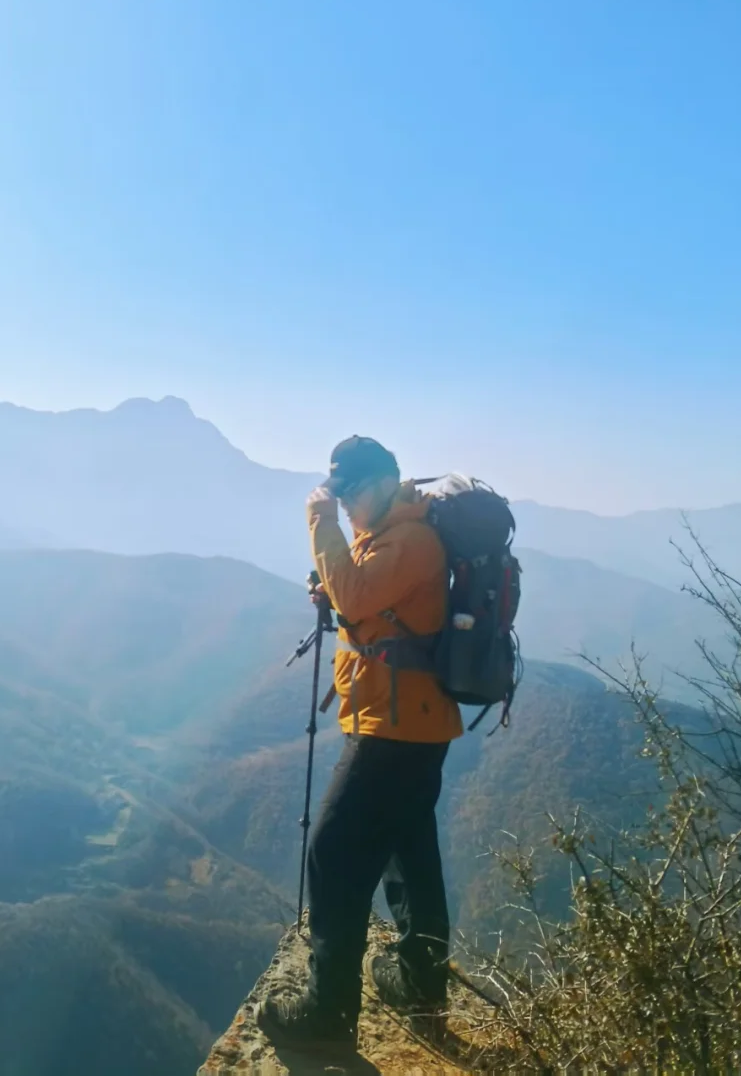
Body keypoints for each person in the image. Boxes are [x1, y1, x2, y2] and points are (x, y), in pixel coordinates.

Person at [258, 436, 462, 1055]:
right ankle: (419, 982)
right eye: (337, 496)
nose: (344, 506)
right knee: (408, 850)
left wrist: (317, 520)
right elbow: (365, 604)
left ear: (386, 480)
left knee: (334, 854)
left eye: (352, 493)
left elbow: (356, 592)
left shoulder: (412, 539)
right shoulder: (393, 534)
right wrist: (338, 594)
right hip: (404, 720)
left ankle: (327, 1013)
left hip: (396, 730)